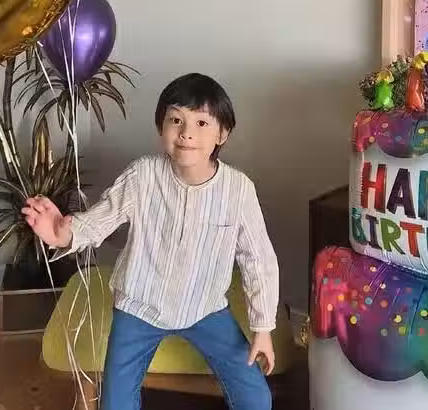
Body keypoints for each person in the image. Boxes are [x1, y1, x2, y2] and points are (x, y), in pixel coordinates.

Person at [22, 73, 280, 410]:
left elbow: (258, 259)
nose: (187, 132)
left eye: (202, 122)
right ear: (161, 128)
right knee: (115, 403)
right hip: (139, 306)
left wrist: (263, 327)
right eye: (176, 120)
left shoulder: (238, 189)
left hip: (205, 307)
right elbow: (101, 219)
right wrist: (62, 232)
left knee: (256, 397)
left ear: (222, 133)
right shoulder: (142, 175)